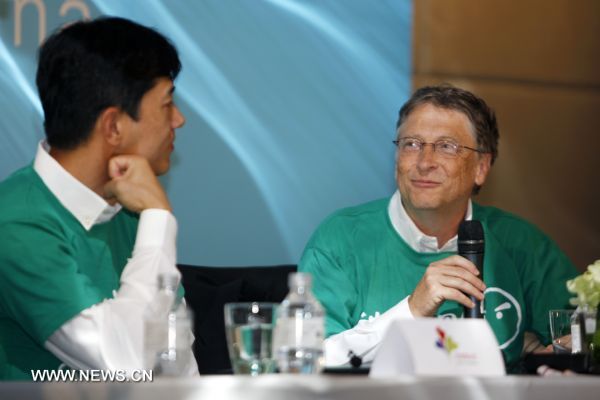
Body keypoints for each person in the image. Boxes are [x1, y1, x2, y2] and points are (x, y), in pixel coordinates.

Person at [299, 85, 578, 372]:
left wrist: (557, 353)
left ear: (481, 167)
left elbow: (577, 336)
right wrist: (413, 310)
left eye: (447, 146)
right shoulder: (340, 240)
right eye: (411, 144)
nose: (424, 162)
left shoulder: (523, 244)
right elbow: (306, 359)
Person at [0, 17, 198, 379]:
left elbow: (176, 370)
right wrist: (157, 216)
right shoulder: (15, 222)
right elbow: (128, 366)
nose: (179, 120)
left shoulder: (129, 211)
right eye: (167, 104)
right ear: (113, 127)